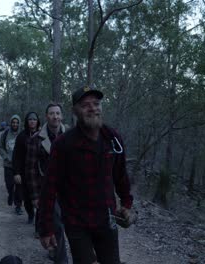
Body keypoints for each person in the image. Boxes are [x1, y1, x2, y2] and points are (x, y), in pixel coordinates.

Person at [38, 85, 134, 264]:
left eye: (96, 103)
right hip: (77, 221)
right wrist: (46, 227)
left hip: (107, 218)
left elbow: (121, 175)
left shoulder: (112, 138)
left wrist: (126, 203)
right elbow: (49, 188)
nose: (92, 108)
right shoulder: (64, 144)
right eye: (85, 105)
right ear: (75, 111)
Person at [25, 103, 68, 264]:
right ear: (46, 116)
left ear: (62, 116)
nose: (55, 116)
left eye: (58, 113)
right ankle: (61, 260)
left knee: (75, 225)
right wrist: (35, 196)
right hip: (48, 191)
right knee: (57, 226)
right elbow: (30, 170)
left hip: (70, 191)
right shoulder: (36, 140)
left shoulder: (71, 136)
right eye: (51, 113)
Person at [12, 112, 41, 223]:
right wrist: (16, 172)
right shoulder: (22, 136)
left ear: (37, 121)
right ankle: (30, 214)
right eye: (30, 119)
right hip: (25, 172)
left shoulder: (42, 135)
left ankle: (39, 223)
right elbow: (16, 156)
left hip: (39, 172)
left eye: (34, 119)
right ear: (27, 121)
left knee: (40, 197)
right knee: (27, 198)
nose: (32, 121)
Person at [0, 115, 23, 214]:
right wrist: (6, 157)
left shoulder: (22, 134)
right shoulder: (5, 134)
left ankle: (18, 206)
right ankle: (10, 194)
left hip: (20, 165)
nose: (15, 124)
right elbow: (0, 147)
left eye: (17, 122)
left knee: (19, 185)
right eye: (13, 122)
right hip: (8, 164)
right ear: (11, 123)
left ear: (19, 123)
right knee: (9, 184)